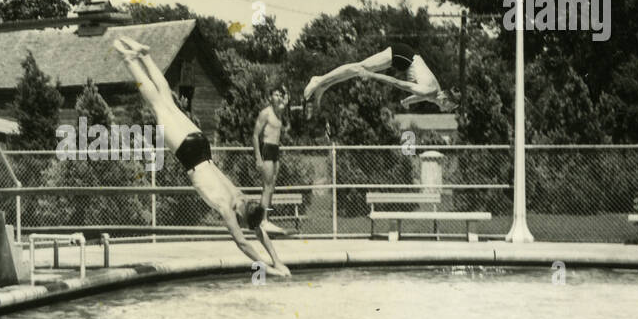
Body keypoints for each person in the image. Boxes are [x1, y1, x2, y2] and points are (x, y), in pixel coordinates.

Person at [114, 36, 290, 275]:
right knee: (157, 104)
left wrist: (277, 260)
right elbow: (243, 243)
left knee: (167, 100)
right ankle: (129, 60)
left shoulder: (241, 197)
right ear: (241, 215)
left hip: (202, 146)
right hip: (191, 155)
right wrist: (269, 268)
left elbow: (258, 229)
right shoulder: (228, 208)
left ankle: (144, 55)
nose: (242, 226)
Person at [303, 41, 458, 112]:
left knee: (356, 70)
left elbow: (420, 96)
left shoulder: (434, 93)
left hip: (405, 58)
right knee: (359, 67)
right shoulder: (430, 91)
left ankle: (324, 85)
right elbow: (397, 82)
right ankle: (319, 80)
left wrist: (406, 101)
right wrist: (372, 75)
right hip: (403, 55)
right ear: (445, 99)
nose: (447, 111)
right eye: (448, 107)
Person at [253, 86, 289, 226]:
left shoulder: (278, 112)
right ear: (270, 97)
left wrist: (285, 91)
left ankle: (266, 217)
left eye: (280, 95)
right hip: (267, 148)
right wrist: (258, 157)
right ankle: (263, 220)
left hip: (276, 149)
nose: (279, 97)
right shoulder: (265, 113)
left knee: (272, 186)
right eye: (276, 94)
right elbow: (255, 136)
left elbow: (286, 100)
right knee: (267, 187)